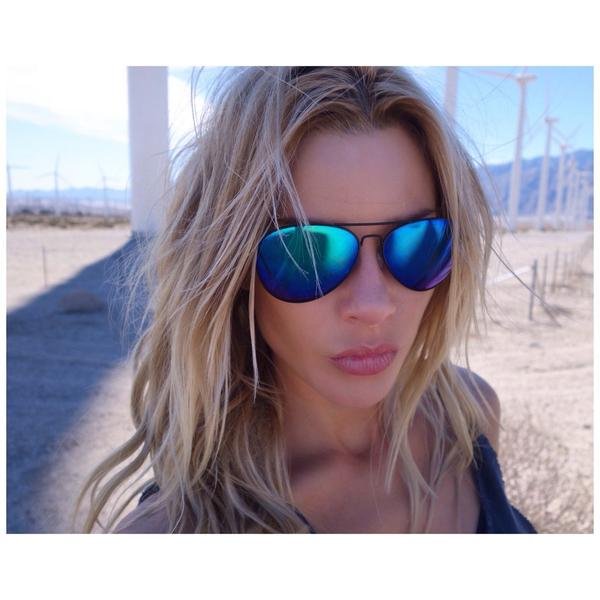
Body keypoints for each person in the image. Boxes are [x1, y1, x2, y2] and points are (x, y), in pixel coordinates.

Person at [76, 66, 536, 533]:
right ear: (232, 271)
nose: (373, 305)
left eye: (419, 243)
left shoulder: (468, 418)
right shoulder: (171, 534)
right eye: (307, 255)